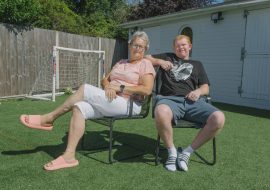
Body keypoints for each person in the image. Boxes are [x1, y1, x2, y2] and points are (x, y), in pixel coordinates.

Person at [20, 31, 156, 171]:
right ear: (129, 45)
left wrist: (119, 87)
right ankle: (69, 156)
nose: (138, 49)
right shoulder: (121, 62)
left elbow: (147, 90)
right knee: (79, 107)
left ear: (145, 49)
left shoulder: (145, 64)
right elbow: (104, 79)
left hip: (130, 104)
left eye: (142, 47)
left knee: (85, 88)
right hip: (110, 99)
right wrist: (108, 86)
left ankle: (49, 118)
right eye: (135, 45)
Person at [145, 35, 225, 172]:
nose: (180, 47)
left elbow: (206, 87)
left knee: (219, 118)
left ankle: (186, 153)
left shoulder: (197, 64)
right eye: (177, 45)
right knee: (160, 111)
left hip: (192, 101)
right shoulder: (168, 57)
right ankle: (172, 152)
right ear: (173, 48)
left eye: (183, 45)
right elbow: (146, 58)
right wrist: (160, 61)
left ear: (190, 46)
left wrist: (198, 92)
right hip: (169, 100)